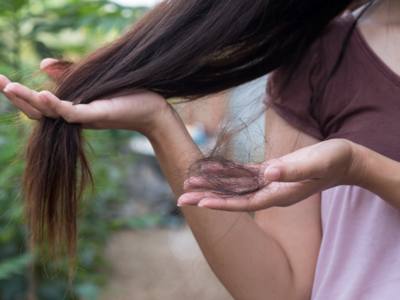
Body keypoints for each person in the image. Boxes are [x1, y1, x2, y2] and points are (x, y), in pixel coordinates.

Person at [1, 0, 400, 298]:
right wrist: (157, 122)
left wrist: (361, 166)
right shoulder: (321, 54)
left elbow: (355, 164)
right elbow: (282, 288)